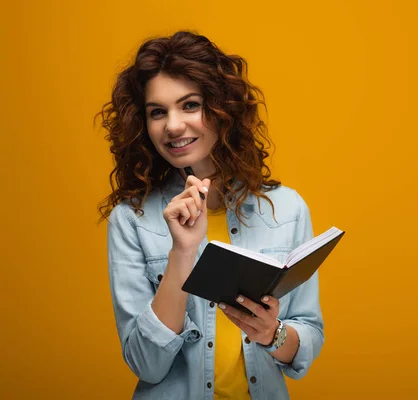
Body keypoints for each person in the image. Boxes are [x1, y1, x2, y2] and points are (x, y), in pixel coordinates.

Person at [97, 31, 324, 399]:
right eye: (158, 112)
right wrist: (182, 253)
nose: (172, 125)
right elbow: (146, 364)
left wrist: (271, 333)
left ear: (222, 110)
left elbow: (307, 339)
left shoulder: (287, 209)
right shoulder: (131, 219)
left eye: (189, 105)